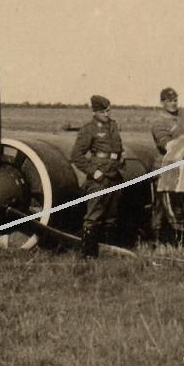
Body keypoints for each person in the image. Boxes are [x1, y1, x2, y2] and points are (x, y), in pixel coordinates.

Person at [70, 94, 124, 258]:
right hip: (99, 179)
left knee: (111, 218)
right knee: (93, 217)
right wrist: (93, 172)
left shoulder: (113, 126)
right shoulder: (89, 129)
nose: (107, 114)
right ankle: (88, 255)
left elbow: (118, 150)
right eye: (103, 112)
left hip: (114, 175)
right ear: (95, 112)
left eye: (108, 111)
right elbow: (76, 156)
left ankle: (108, 254)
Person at [149, 87, 184, 245]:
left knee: (178, 205)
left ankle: (176, 240)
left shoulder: (181, 118)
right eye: (169, 101)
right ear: (162, 102)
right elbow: (165, 143)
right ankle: (157, 241)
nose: (173, 103)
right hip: (164, 167)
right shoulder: (159, 122)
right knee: (162, 206)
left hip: (179, 168)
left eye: (175, 100)